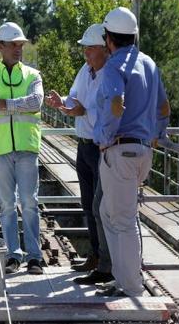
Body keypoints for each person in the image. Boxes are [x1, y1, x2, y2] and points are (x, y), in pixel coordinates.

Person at [94, 7, 170, 297]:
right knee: (109, 212)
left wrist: (105, 137)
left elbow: (115, 103)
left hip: (119, 150)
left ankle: (132, 286)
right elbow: (164, 108)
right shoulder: (148, 63)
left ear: (109, 39)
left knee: (122, 220)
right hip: (141, 151)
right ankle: (123, 277)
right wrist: (157, 136)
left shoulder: (114, 65)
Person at [44, 24, 113, 285]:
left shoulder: (111, 75)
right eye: (84, 47)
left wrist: (79, 110)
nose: (85, 52)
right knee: (88, 204)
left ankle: (108, 262)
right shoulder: (86, 71)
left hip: (101, 147)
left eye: (89, 47)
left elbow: (97, 110)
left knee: (102, 207)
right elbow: (75, 99)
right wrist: (61, 102)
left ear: (104, 49)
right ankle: (96, 256)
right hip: (84, 145)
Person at [0, 22, 44, 275]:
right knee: (6, 204)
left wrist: (4, 102)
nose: (18, 49)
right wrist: (20, 104)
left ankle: (35, 257)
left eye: (21, 44)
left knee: (29, 202)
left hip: (27, 146)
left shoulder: (33, 75)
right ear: (0, 46)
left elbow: (36, 101)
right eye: (13, 44)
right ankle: (13, 256)